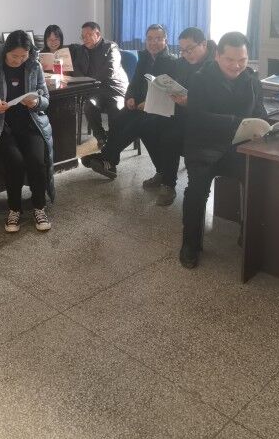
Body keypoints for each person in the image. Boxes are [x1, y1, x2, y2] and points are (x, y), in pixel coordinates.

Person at [180, 32, 267, 269]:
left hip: (238, 147)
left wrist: (264, 127)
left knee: (257, 180)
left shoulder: (251, 79)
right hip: (204, 146)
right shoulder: (200, 78)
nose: (236, 65)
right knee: (197, 190)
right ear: (217, 55)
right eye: (230, 59)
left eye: (242, 60)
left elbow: (259, 112)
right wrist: (236, 122)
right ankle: (190, 243)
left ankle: (248, 234)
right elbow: (198, 117)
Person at [0, 30, 55, 233]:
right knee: (15, 162)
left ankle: (39, 207)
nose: (19, 60)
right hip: (2, 127)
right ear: (6, 52)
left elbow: (46, 99)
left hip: (31, 124)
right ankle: (14, 209)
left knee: (37, 162)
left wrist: (36, 102)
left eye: (23, 56)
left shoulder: (34, 66)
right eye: (14, 56)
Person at [81, 23, 176, 183]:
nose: (153, 42)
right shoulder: (144, 58)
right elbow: (134, 83)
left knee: (138, 124)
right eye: (150, 39)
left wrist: (148, 103)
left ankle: (107, 158)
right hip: (141, 106)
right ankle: (109, 162)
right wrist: (130, 97)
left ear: (166, 41)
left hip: (161, 109)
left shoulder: (172, 62)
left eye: (158, 39)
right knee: (120, 117)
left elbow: (169, 92)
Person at [140, 27, 217, 206]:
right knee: (146, 125)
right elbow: (175, 86)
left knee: (170, 136)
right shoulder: (181, 63)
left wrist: (190, 102)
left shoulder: (215, 65)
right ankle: (162, 171)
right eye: (182, 50)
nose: (185, 54)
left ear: (203, 44)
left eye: (189, 49)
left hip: (202, 119)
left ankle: (168, 184)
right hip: (179, 111)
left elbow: (214, 101)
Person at [69, 21, 128, 145]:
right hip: (95, 90)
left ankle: (113, 139)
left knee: (115, 108)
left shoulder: (111, 47)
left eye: (88, 35)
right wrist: (86, 82)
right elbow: (76, 69)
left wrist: (89, 81)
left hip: (114, 88)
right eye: (83, 36)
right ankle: (101, 137)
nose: (85, 39)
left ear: (98, 34)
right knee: (89, 105)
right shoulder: (81, 50)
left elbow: (110, 70)